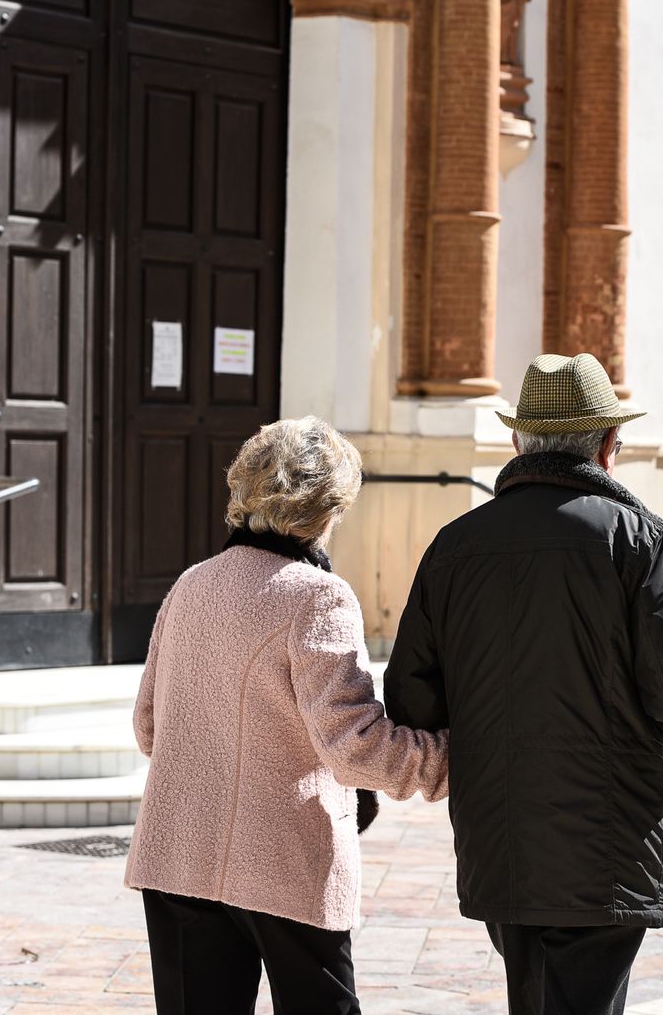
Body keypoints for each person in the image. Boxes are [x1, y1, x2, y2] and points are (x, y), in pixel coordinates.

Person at [384, 353, 663, 1015]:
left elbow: (410, 698)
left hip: (499, 841)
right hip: (604, 848)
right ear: (608, 445)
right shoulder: (640, 540)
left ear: (519, 442)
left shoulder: (454, 546)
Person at [125, 417, 449, 1015]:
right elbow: (354, 745)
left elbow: (149, 728)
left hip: (176, 852)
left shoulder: (191, 584)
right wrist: (444, 760)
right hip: (283, 861)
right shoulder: (317, 595)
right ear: (328, 510)